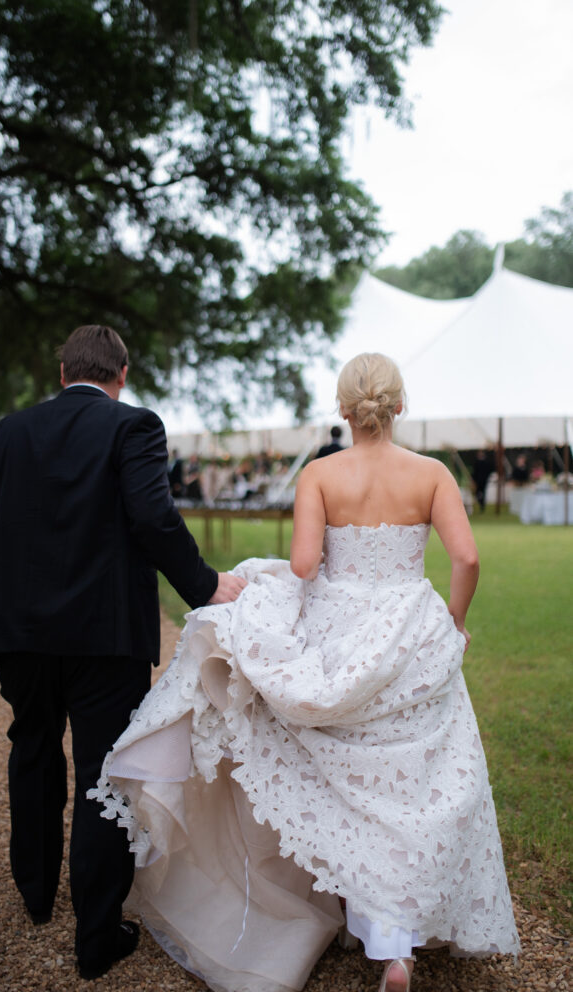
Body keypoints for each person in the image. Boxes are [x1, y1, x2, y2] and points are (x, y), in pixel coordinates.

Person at [91, 352, 519, 992]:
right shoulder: (431, 474)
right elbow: (467, 556)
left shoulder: (319, 474)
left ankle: (372, 927)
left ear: (343, 409)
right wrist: (453, 620)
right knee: (407, 786)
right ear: (399, 407)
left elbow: (304, 563)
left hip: (337, 628)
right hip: (410, 630)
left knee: (345, 785)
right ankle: (395, 948)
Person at [0, 325, 245, 982]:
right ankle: (96, 933)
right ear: (122, 372)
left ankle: (33, 895)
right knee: (100, 771)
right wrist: (204, 585)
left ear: (62, 373)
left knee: (29, 747)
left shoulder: (0, 435)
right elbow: (151, 515)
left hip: (16, 631)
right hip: (102, 632)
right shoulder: (133, 426)